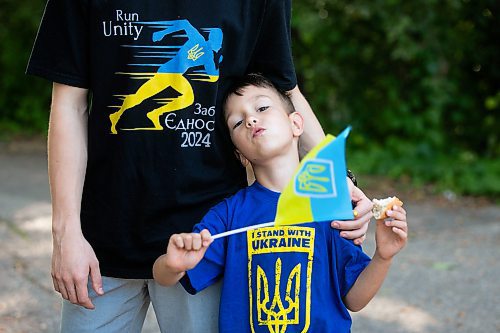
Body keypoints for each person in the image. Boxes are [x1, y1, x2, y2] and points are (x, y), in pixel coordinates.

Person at [27, 1, 373, 332]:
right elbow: (69, 104)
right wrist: (66, 232)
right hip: (102, 240)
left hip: (208, 239)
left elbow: (283, 90)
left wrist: (339, 178)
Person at [153, 74, 408, 332]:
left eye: (262, 108)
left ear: (296, 124)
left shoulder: (328, 206)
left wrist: (383, 257)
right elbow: (166, 276)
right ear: (239, 154)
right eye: (238, 122)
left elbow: (354, 298)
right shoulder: (228, 215)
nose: (251, 119)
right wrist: (171, 265)